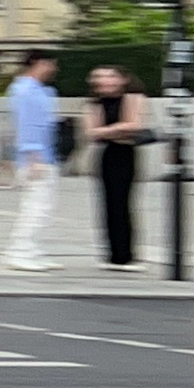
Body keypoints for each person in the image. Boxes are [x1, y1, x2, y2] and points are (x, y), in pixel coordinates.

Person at [83, 63, 150, 271]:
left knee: (125, 203)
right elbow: (91, 133)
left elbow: (135, 125)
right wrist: (117, 129)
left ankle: (126, 254)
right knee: (106, 204)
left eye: (110, 77)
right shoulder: (93, 104)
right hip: (106, 155)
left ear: (123, 79)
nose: (105, 81)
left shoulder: (133, 98)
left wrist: (107, 130)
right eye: (100, 78)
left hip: (126, 154)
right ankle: (110, 253)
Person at [4, 50, 60, 272]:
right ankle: (20, 252)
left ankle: (33, 249)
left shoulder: (40, 91)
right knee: (35, 207)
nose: (54, 69)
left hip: (45, 154)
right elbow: (27, 125)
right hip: (36, 157)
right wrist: (33, 155)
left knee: (44, 207)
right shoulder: (26, 90)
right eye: (51, 63)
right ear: (39, 63)